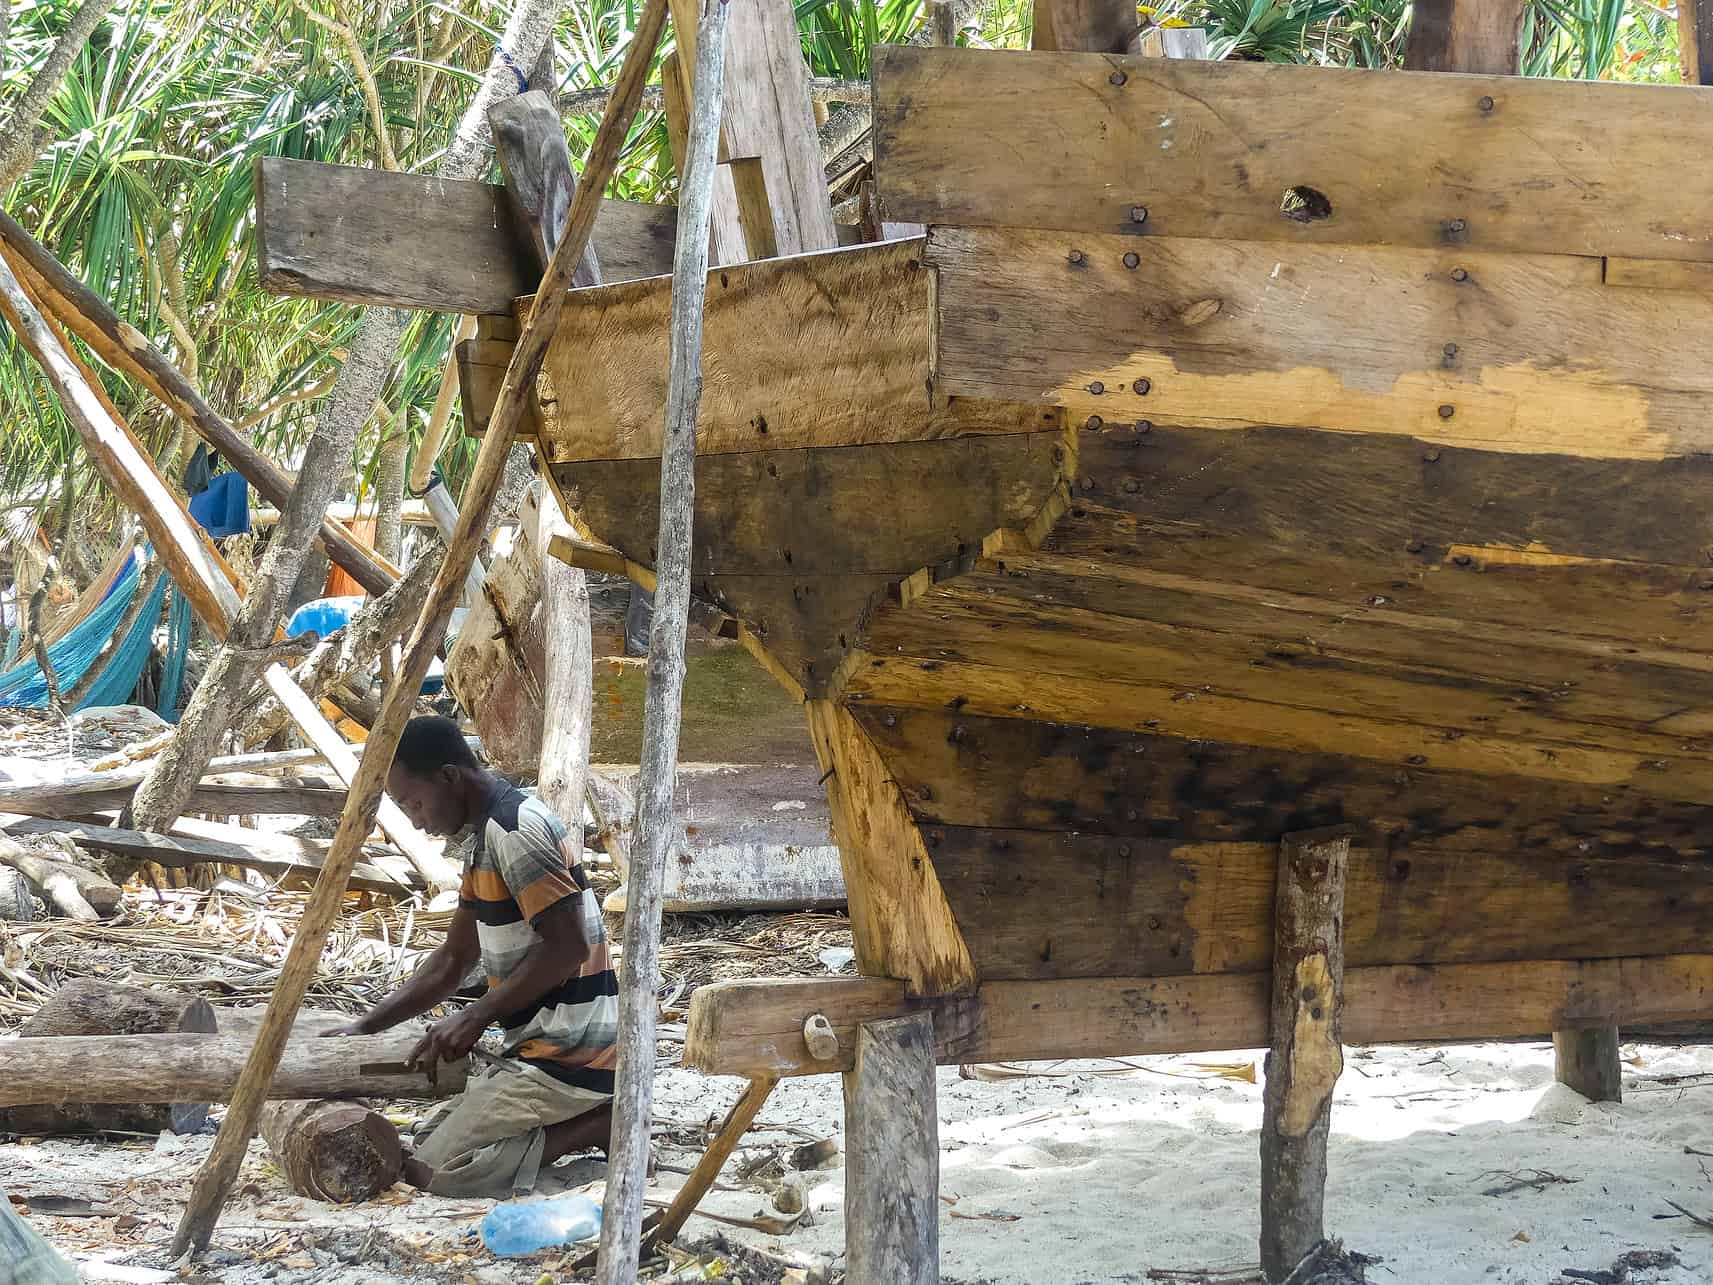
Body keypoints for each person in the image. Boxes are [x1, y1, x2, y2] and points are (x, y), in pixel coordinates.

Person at [324, 715, 618, 1197]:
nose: (417, 820)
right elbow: (453, 960)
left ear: (448, 777)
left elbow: (568, 947)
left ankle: (599, 1123)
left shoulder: (514, 831)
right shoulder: (484, 838)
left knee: (436, 1173)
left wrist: (476, 1016)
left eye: (414, 803)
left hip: (573, 1053)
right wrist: (365, 1026)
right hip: (535, 1049)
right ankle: (580, 1114)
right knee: (417, 1141)